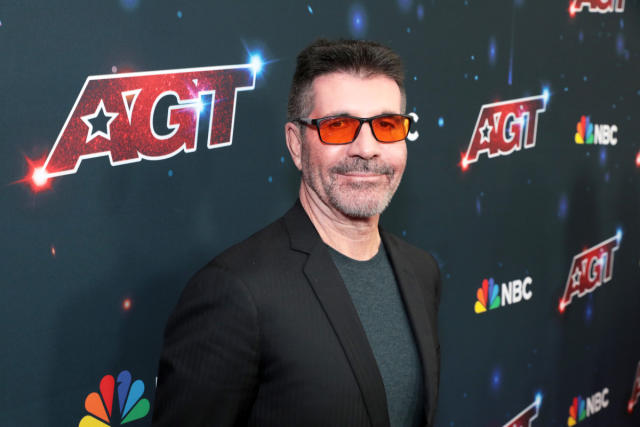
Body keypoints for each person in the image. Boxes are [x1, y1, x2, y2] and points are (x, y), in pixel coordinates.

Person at [152, 38, 441, 427]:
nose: (367, 148)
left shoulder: (421, 272)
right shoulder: (236, 292)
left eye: (387, 125)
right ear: (296, 144)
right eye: (338, 126)